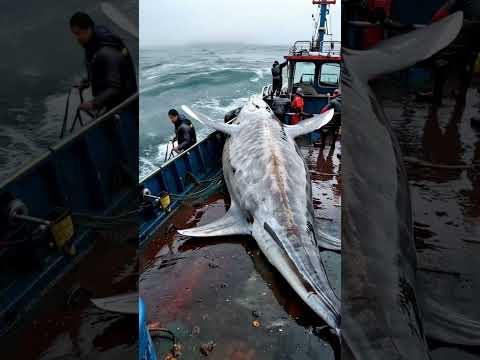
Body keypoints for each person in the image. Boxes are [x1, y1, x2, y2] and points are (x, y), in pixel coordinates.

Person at [70, 12, 137, 113]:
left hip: (124, 105)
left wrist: (93, 103)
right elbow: (101, 70)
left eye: (79, 33)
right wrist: (87, 81)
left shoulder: (106, 52)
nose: (77, 38)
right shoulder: (92, 44)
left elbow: (115, 88)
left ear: (89, 28)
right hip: (113, 103)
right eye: (75, 34)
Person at [430, 0, 480, 106]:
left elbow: (436, 19)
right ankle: (459, 102)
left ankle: (436, 105)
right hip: (471, 48)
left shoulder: (454, 2)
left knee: (441, 67)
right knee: (466, 73)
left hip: (453, 45)